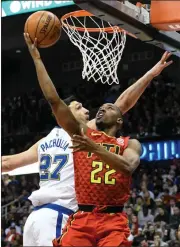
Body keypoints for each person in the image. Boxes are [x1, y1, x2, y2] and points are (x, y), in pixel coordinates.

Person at [2, 33, 172, 247]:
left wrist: (36, 57)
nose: (88, 110)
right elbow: (120, 104)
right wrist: (36, 57)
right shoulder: (80, 133)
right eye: (78, 107)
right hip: (61, 214)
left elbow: (7, 163)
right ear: (68, 115)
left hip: (37, 217)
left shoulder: (47, 140)